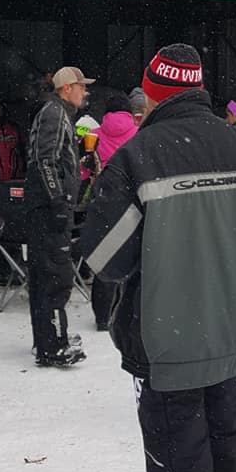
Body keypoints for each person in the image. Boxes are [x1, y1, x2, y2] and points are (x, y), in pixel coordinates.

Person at [81, 43, 236, 472]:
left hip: (171, 345)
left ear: (151, 95)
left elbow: (104, 259)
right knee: (232, 447)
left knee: (180, 462)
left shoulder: (139, 154)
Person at [25, 65, 95, 368]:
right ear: (67, 88)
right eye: (82, 86)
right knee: (55, 275)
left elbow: (52, 158)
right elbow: (43, 161)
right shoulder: (54, 112)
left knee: (46, 276)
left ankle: (48, 339)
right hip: (48, 210)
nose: (86, 92)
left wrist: (77, 157)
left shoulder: (60, 114)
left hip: (47, 207)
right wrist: (57, 201)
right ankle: (53, 345)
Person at [88, 93, 138, 330]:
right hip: (132, 203)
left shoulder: (94, 134)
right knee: (133, 257)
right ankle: (126, 310)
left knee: (104, 256)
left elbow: (83, 170)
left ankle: (101, 316)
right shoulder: (139, 134)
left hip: (104, 201)